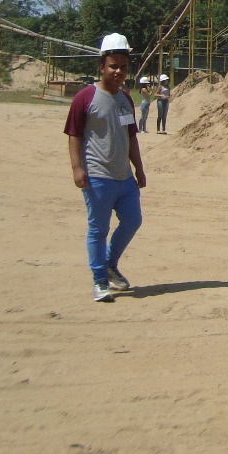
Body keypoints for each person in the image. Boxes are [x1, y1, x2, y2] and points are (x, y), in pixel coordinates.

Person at [64, 33, 146, 303]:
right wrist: (77, 168)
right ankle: (99, 281)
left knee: (133, 220)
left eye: (123, 67)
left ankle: (110, 265)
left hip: (124, 177)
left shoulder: (125, 99)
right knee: (98, 229)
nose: (119, 71)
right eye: (113, 66)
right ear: (102, 67)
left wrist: (139, 169)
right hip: (97, 176)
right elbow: (74, 135)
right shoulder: (85, 97)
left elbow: (131, 136)